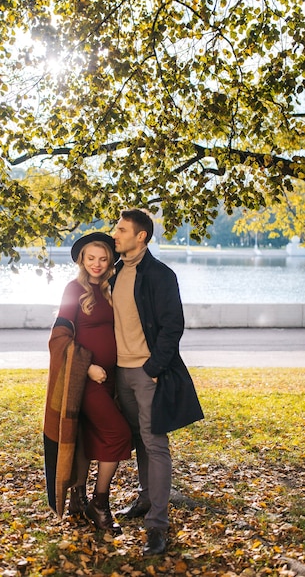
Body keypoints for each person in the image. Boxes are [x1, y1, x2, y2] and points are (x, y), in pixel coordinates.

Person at [111, 209, 204, 556]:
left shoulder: (161, 275)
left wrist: (152, 368)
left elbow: (172, 326)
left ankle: (157, 526)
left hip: (146, 373)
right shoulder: (115, 272)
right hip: (119, 372)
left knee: (155, 443)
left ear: (141, 237)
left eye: (121, 229)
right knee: (139, 439)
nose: (114, 234)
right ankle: (146, 500)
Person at [44, 232, 132, 534]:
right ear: (82, 260)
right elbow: (58, 338)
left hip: (111, 381)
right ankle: (100, 501)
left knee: (87, 437)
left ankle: (79, 499)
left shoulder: (110, 288)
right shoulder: (73, 289)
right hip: (86, 379)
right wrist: (89, 367)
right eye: (91, 258)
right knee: (119, 434)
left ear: (109, 261)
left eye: (103, 258)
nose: (97, 263)